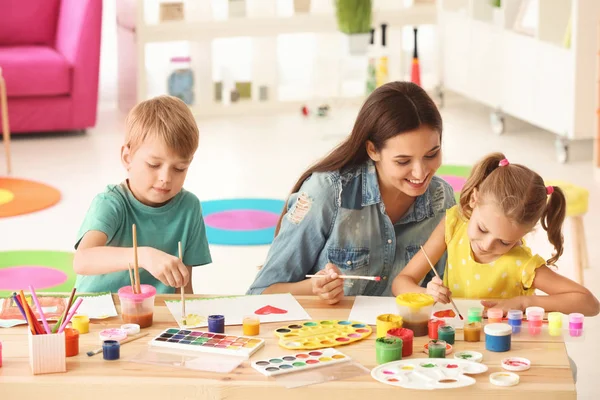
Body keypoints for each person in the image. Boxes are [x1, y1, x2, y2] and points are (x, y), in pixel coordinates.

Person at [247, 81, 456, 304]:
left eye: (431, 154)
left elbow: (447, 289)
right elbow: (260, 293)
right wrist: (313, 288)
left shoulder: (441, 200)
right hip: (334, 335)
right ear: (373, 150)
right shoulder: (327, 193)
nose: (421, 172)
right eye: (403, 161)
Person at [392, 152, 599, 316]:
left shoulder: (521, 264)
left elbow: (590, 303)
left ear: (524, 234)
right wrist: (426, 294)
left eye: (505, 242)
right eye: (482, 229)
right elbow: (401, 282)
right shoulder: (454, 224)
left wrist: (525, 302)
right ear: (474, 199)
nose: (488, 245)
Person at [73, 95, 212, 294]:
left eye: (180, 168)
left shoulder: (189, 208)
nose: (166, 178)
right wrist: (144, 256)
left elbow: (183, 288)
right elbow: (82, 260)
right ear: (127, 158)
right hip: (99, 313)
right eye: (154, 165)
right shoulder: (111, 203)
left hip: (155, 315)